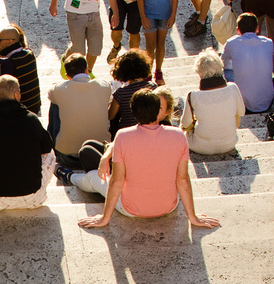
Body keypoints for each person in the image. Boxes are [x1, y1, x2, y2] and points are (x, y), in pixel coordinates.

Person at [77, 88, 221, 228]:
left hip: (131, 209)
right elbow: (182, 179)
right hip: (168, 207)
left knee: (92, 177)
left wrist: (104, 218)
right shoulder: (178, 135)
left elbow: (116, 181)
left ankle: (68, 175)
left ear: (133, 112)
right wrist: (193, 217)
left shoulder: (122, 136)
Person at [0, 74, 54, 210]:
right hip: (33, 197)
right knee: (50, 154)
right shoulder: (32, 119)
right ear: (17, 95)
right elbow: (46, 147)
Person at [179, 48, 245, 156]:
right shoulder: (233, 88)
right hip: (229, 143)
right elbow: (241, 112)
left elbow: (185, 124)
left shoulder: (193, 95)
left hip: (201, 147)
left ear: (199, 72)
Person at [222, 13, 274, 113]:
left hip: (244, 100)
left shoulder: (231, 43)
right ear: (257, 28)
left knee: (226, 70)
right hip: (267, 99)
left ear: (238, 30)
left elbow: (222, 63)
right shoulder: (269, 42)